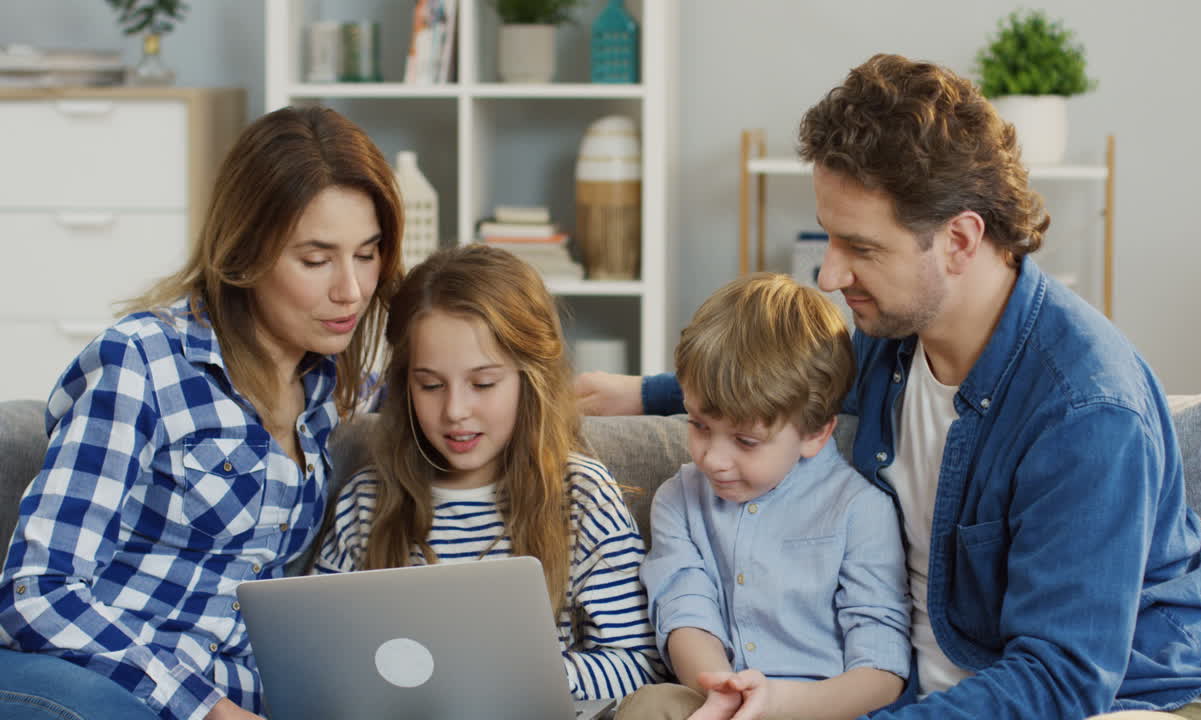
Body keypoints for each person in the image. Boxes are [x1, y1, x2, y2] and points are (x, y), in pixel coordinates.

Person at [576, 54, 1201, 720]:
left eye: (862, 248)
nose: (829, 276)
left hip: (1130, 702)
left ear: (961, 240)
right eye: (829, 239)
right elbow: (796, 386)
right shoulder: (893, 342)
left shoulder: (1084, 410)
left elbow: (1062, 680)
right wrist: (650, 392)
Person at [0, 105, 404, 720]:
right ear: (247, 251)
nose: (350, 290)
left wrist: (596, 393)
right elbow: (35, 593)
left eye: (368, 254)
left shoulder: (331, 388)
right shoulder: (141, 364)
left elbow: (461, 390)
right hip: (94, 682)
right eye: (316, 260)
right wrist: (205, 708)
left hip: (230, 694)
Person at [311, 244, 665, 701]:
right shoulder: (369, 501)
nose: (455, 410)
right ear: (405, 385)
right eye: (431, 385)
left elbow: (642, 665)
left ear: (530, 379)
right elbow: (317, 653)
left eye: (483, 384)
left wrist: (515, 674)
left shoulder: (580, 496)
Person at [612, 273, 911, 720]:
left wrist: (781, 706)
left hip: (819, 708)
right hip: (714, 701)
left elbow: (881, 671)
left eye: (746, 441)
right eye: (699, 425)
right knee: (652, 705)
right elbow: (685, 612)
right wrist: (723, 690)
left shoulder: (861, 509)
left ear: (815, 432)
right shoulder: (679, 497)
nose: (713, 458)